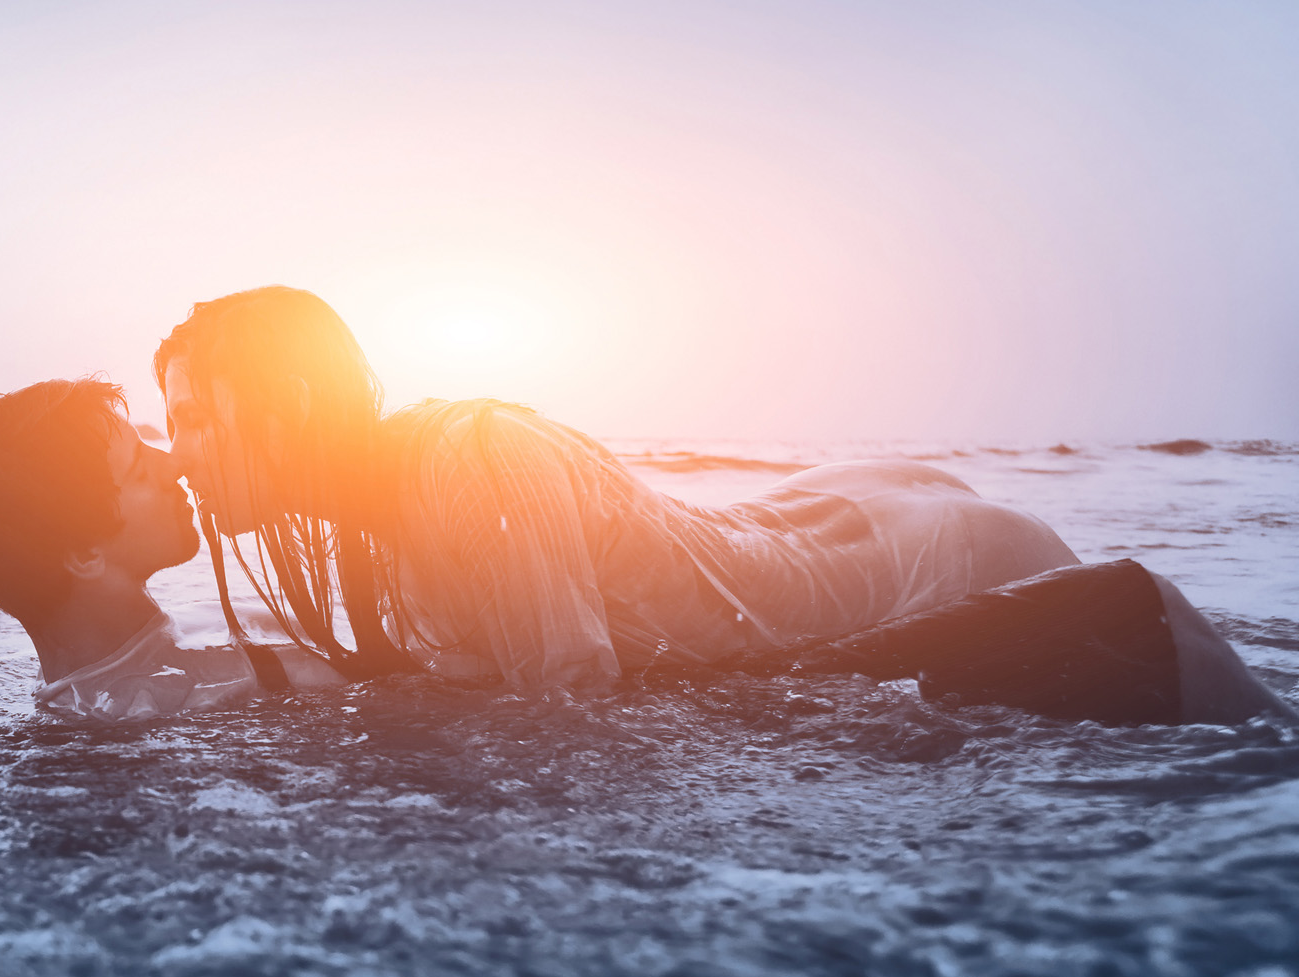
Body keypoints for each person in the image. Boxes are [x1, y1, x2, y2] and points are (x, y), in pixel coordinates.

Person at [153, 286, 1292, 726]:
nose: (180, 452)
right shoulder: (375, 529)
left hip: (947, 561)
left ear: (288, 401)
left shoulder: (469, 463)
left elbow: (571, 714)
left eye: (194, 417)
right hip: (819, 528)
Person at [0, 377, 341, 721]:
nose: (173, 466)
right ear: (86, 555)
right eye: (141, 470)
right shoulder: (169, 699)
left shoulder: (142, 658)